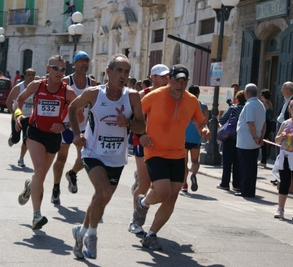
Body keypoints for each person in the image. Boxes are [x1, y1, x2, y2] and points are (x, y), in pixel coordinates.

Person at [68, 54, 145, 259]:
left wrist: (127, 123)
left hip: (117, 157)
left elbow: (141, 126)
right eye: (119, 71)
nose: (123, 75)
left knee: (102, 197)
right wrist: (76, 133)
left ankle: (80, 232)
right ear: (108, 72)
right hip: (93, 152)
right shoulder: (94, 93)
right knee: (102, 191)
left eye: (126, 72)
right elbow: (72, 107)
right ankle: (92, 236)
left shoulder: (133, 96)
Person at [133, 64, 210, 250]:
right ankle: (143, 203)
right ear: (170, 80)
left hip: (177, 153)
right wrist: (141, 135)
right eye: (177, 80)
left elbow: (200, 121)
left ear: (187, 82)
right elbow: (134, 116)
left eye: (184, 81)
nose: (180, 84)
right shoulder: (155, 96)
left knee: (172, 196)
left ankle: (151, 234)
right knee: (164, 191)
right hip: (154, 151)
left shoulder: (191, 101)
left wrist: (204, 130)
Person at [16, 55, 80, 230]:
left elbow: (80, 115)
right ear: (48, 68)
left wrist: (65, 125)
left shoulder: (68, 92)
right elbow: (19, 100)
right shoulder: (37, 85)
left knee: (40, 177)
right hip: (35, 132)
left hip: (53, 136)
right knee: (41, 170)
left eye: (62, 69)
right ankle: (37, 215)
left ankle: (30, 186)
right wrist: (18, 115)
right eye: (55, 68)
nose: (59, 72)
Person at [128, 63, 170, 235]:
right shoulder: (141, 95)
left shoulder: (171, 95)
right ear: (152, 77)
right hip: (143, 142)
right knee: (145, 183)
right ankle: (135, 219)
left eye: (167, 76)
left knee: (160, 186)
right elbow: (132, 119)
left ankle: (142, 201)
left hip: (163, 145)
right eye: (162, 76)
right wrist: (141, 135)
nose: (166, 79)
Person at [51, 51, 97, 204]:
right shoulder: (66, 81)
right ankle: (56, 188)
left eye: (86, 61)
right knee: (62, 158)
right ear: (74, 64)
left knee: (84, 159)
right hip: (66, 126)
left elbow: (96, 107)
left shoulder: (92, 84)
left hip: (84, 127)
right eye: (81, 61)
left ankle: (72, 173)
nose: (84, 64)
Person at [234, 83, 266, 197]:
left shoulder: (249, 105)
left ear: (247, 93)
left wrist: (255, 137)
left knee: (245, 166)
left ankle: (245, 190)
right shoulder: (260, 104)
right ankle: (250, 189)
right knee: (252, 167)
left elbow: (250, 123)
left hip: (246, 140)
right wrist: (261, 137)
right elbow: (264, 124)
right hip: (255, 140)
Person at [6, 68, 36, 167]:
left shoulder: (36, 88)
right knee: (16, 139)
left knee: (26, 139)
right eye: (29, 74)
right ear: (24, 75)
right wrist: (14, 113)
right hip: (18, 116)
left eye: (32, 75)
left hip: (28, 117)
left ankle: (21, 158)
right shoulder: (19, 87)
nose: (31, 77)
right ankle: (12, 139)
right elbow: (8, 101)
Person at [181, 85, 209, 193]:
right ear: (198, 93)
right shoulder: (203, 107)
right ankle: (193, 174)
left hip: (184, 136)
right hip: (196, 137)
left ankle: (184, 184)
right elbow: (204, 122)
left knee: (184, 162)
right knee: (195, 161)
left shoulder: (184, 104)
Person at [217, 91, 246, 191]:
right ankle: (237, 185)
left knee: (227, 162)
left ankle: (225, 183)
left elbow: (222, 120)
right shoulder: (246, 109)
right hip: (241, 139)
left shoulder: (233, 108)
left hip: (229, 137)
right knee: (237, 163)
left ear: (237, 99)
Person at [258, 89, 273, 168]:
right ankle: (264, 159)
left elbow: (262, 114)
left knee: (263, 142)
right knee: (264, 142)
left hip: (265, 123)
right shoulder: (269, 103)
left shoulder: (265, 103)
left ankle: (263, 160)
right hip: (268, 122)